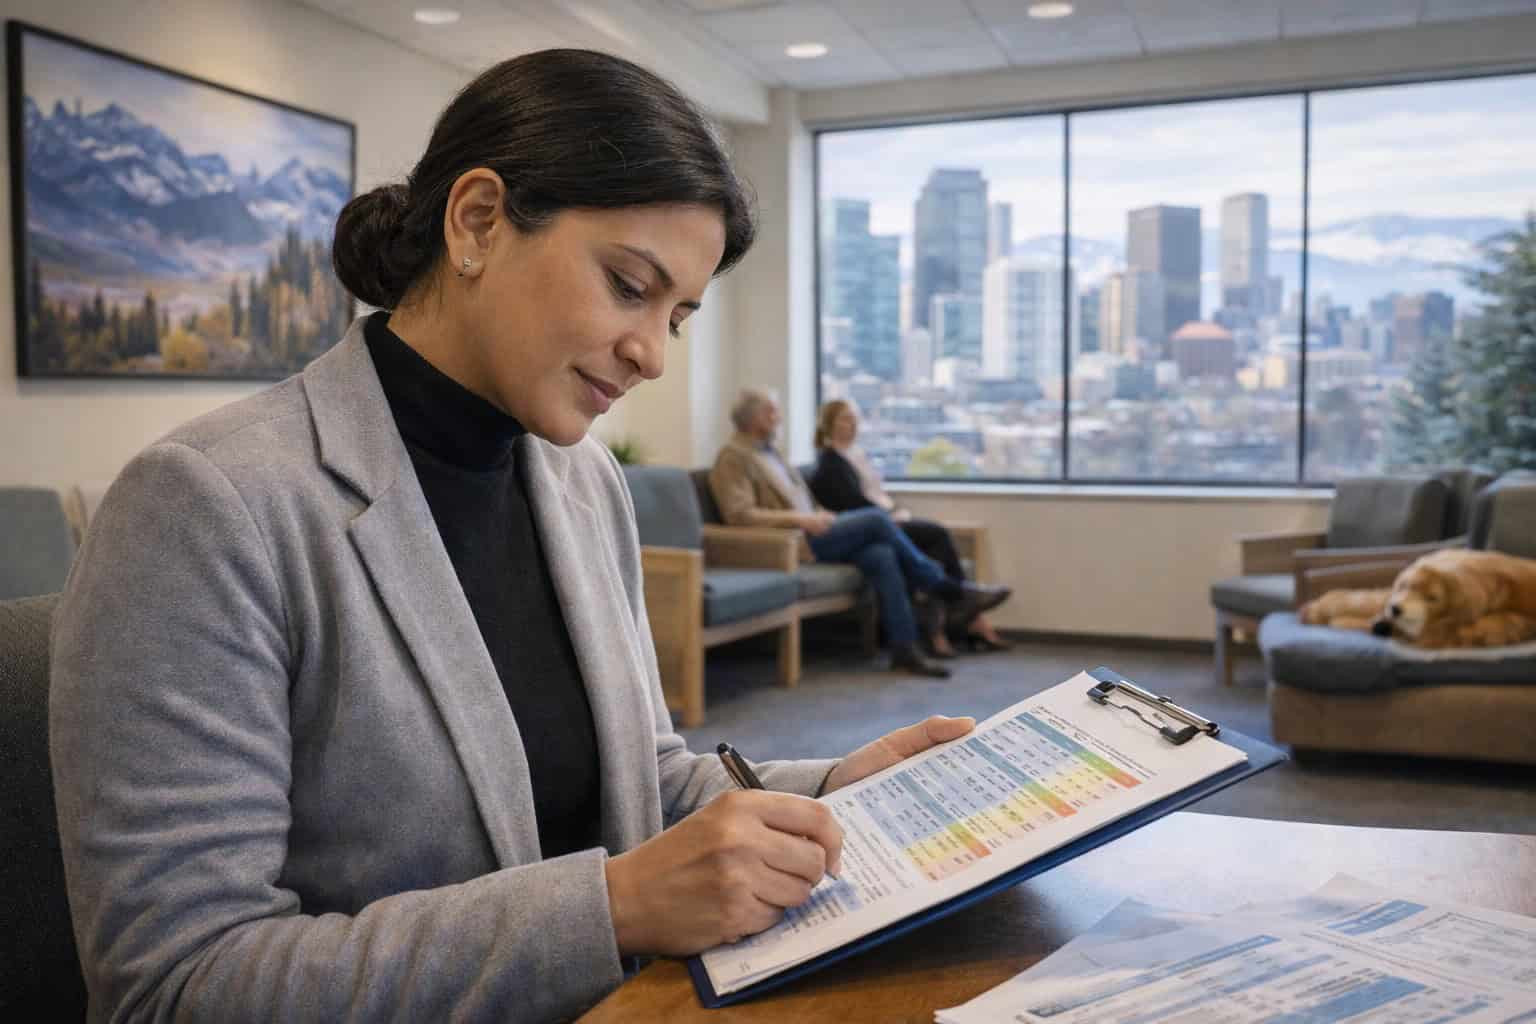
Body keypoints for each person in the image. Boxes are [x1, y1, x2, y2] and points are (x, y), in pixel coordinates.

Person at [48, 50, 979, 1023]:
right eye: (629, 285)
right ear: (478, 221)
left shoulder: (582, 483)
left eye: (679, 315)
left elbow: (641, 784)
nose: (654, 354)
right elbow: (178, 985)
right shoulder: (208, 506)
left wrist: (836, 789)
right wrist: (612, 907)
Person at [708, 389, 1011, 678]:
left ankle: (905, 648)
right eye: (771, 412)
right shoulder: (733, 458)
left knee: (883, 555)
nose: (778, 417)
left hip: (815, 527)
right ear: (751, 418)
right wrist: (801, 519)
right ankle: (948, 589)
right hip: (791, 543)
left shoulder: (773, 454)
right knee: (877, 520)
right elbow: (740, 515)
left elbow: (804, 499)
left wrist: (818, 513)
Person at [809, 400, 1013, 655]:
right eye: (845, 419)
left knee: (934, 540)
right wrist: (889, 517)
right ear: (828, 424)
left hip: (881, 522)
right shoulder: (829, 464)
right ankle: (959, 607)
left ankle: (947, 625)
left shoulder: (856, 456)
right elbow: (853, 506)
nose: (852, 425)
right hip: (866, 529)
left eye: (854, 419)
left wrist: (892, 512)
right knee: (935, 535)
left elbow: (874, 495)